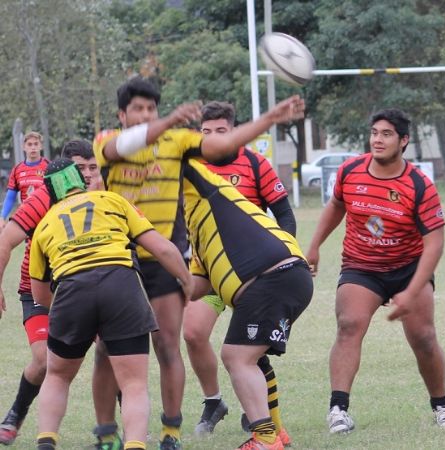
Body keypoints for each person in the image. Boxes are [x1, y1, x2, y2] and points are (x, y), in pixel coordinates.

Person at [93, 76, 304, 449]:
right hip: (127, 261)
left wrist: (269, 118)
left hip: (184, 263)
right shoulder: (107, 141)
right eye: (137, 109)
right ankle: (108, 434)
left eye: (151, 109)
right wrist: (185, 285)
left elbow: (222, 147)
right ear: (121, 115)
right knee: (112, 350)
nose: (146, 115)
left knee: (187, 348)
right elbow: (123, 145)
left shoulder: (181, 150)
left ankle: (180, 433)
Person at [306, 108, 445, 434]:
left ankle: (442, 405)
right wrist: (315, 245)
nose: (377, 139)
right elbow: (336, 206)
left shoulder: (419, 184)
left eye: (387, 134)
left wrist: (412, 291)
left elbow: (434, 244)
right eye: (374, 132)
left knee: (424, 338)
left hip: (408, 268)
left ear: (403, 141)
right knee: (349, 325)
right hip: (361, 266)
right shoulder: (351, 171)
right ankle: (338, 409)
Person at [28, 158, 193, 450]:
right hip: (121, 286)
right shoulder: (111, 200)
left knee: (57, 375)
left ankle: (46, 443)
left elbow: (40, 295)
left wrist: (75, 316)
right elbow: (163, 249)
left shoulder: (45, 224)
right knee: (133, 384)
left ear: (51, 191)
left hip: (71, 291)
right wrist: (187, 280)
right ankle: (135, 445)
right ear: (79, 180)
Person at [183, 101, 296, 444]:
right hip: (209, 270)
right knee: (193, 333)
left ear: (233, 131)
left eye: (220, 131)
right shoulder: (191, 167)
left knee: (249, 351)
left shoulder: (255, 163)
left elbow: (284, 214)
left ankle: (268, 425)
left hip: (253, 270)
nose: (213, 138)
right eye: (206, 132)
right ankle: (213, 402)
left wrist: (287, 251)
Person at [0, 141, 124, 449]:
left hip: (88, 288)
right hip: (39, 290)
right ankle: (15, 415)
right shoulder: (44, 197)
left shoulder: (105, 196)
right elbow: (5, 241)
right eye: (80, 168)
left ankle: (115, 431)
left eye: (92, 168)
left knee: (116, 351)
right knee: (45, 360)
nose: (87, 175)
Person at [1, 131, 49, 224]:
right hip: (26, 217)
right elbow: (10, 197)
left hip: (46, 217)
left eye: (36, 144)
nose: (33, 147)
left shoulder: (49, 167)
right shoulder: (17, 170)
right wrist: (2, 217)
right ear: (24, 147)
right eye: (29, 144)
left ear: (41, 146)